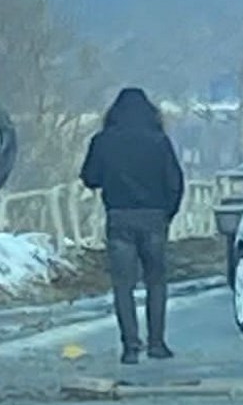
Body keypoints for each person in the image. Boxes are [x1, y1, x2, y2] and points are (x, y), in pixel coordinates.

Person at [79, 87, 185, 364]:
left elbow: (90, 177)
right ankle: (157, 344)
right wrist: (166, 214)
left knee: (123, 286)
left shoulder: (103, 141)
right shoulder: (159, 142)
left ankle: (130, 347)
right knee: (156, 283)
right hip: (154, 219)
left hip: (119, 217)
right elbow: (175, 183)